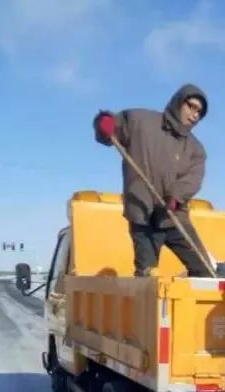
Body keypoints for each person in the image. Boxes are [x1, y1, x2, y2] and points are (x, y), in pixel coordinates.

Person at [92, 85, 213, 277]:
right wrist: (104, 123)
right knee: (148, 277)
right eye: (191, 106)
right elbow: (112, 127)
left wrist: (175, 196)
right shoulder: (140, 121)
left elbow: (193, 179)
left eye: (199, 112)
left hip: (173, 216)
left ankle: (184, 303)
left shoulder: (196, 149)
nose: (194, 114)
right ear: (179, 102)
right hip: (143, 215)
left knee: (205, 271)